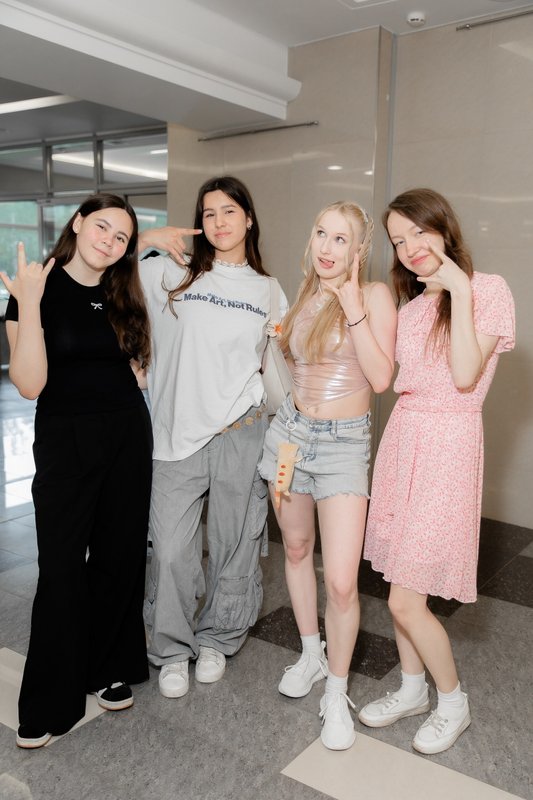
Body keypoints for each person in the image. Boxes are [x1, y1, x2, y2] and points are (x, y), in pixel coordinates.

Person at [358, 188, 515, 754]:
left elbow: (467, 373)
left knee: (406, 599)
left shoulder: (488, 288)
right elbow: (382, 376)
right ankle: (411, 689)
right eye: (398, 241)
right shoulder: (410, 309)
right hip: (404, 440)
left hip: (448, 445)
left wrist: (461, 290)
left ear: (443, 228)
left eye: (418, 232)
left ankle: (453, 702)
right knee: (400, 586)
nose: (410, 248)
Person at [1, 194, 153, 749]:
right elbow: (30, 384)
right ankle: (49, 699)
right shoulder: (34, 288)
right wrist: (30, 304)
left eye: (121, 237)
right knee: (62, 568)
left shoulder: (123, 293)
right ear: (78, 222)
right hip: (66, 442)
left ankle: (106, 667)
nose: (109, 241)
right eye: (102, 227)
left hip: (126, 436)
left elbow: (137, 372)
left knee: (119, 558)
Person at [137, 176, 288, 698]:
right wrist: (144, 238)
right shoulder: (169, 272)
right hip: (176, 432)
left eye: (229, 211)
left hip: (241, 431)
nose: (219, 222)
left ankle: (218, 639)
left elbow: (278, 364)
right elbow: (95, 266)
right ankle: (170, 648)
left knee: (235, 545)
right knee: (170, 551)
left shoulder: (268, 290)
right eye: (208, 213)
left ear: (249, 218)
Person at [258, 201, 397, 750]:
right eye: (321, 233)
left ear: (359, 250)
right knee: (295, 550)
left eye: (341, 239)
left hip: (343, 447)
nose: (327, 247)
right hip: (290, 439)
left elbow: (381, 377)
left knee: (341, 581)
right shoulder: (304, 293)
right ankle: (311, 653)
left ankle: (336, 692)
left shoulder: (375, 296)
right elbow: (297, 369)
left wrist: (352, 305)